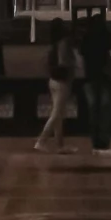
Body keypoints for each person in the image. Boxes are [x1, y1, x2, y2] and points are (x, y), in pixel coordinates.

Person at [77, 9, 111, 157]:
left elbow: (81, 57)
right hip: (106, 78)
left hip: (90, 78)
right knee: (105, 111)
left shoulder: (86, 38)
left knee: (93, 111)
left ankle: (95, 143)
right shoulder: (107, 36)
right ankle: (104, 144)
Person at [35, 17, 77, 152]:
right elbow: (63, 61)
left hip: (53, 80)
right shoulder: (63, 42)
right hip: (62, 81)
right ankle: (41, 140)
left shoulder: (53, 43)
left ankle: (60, 145)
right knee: (57, 113)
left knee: (59, 113)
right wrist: (73, 65)